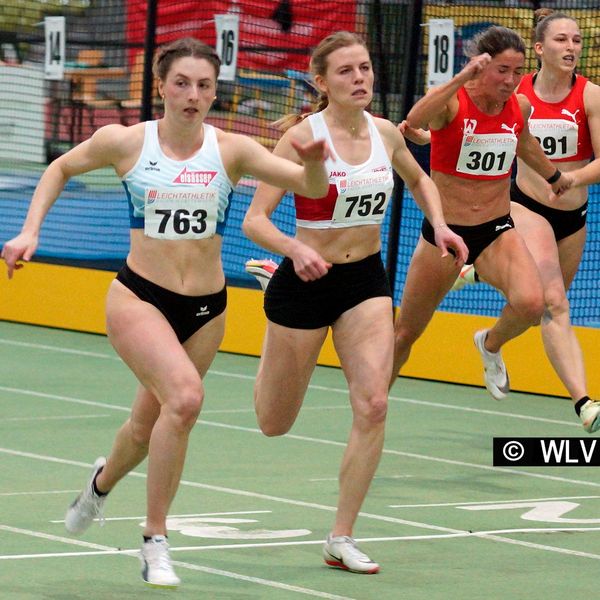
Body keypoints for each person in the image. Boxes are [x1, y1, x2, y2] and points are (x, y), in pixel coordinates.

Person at [0, 37, 330, 588]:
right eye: (181, 83)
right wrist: (30, 229)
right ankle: (155, 540)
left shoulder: (232, 150)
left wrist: (315, 165)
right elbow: (59, 168)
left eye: (204, 86)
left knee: (145, 423)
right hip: (139, 299)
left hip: (206, 308)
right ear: (161, 87)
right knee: (186, 398)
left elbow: (307, 187)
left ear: (214, 91)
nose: (192, 95)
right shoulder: (126, 142)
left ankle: (100, 485)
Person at [242, 31, 466, 574]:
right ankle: (273, 281)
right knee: (274, 423)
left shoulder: (386, 133)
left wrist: (439, 225)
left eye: (365, 68)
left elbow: (420, 178)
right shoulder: (299, 138)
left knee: (374, 404)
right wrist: (294, 249)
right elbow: (255, 219)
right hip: (305, 278)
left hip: (365, 281)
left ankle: (341, 536)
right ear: (321, 82)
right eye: (346, 71)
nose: (360, 78)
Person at [389, 26, 573, 402]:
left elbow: (522, 142)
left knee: (532, 304)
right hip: (445, 232)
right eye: (501, 70)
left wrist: (554, 176)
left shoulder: (518, 106)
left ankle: (489, 344)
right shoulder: (455, 102)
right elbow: (415, 121)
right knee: (405, 333)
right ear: (481, 68)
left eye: (517, 71)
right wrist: (461, 78)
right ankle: (373, 403)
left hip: (496, 229)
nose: (510, 80)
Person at [447, 11, 600, 433]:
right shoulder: (520, 94)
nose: (571, 47)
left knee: (541, 312)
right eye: (561, 40)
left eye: (576, 41)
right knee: (554, 301)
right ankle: (584, 402)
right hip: (526, 205)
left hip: (573, 212)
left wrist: (570, 179)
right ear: (539, 48)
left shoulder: (590, 96)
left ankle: (489, 340)